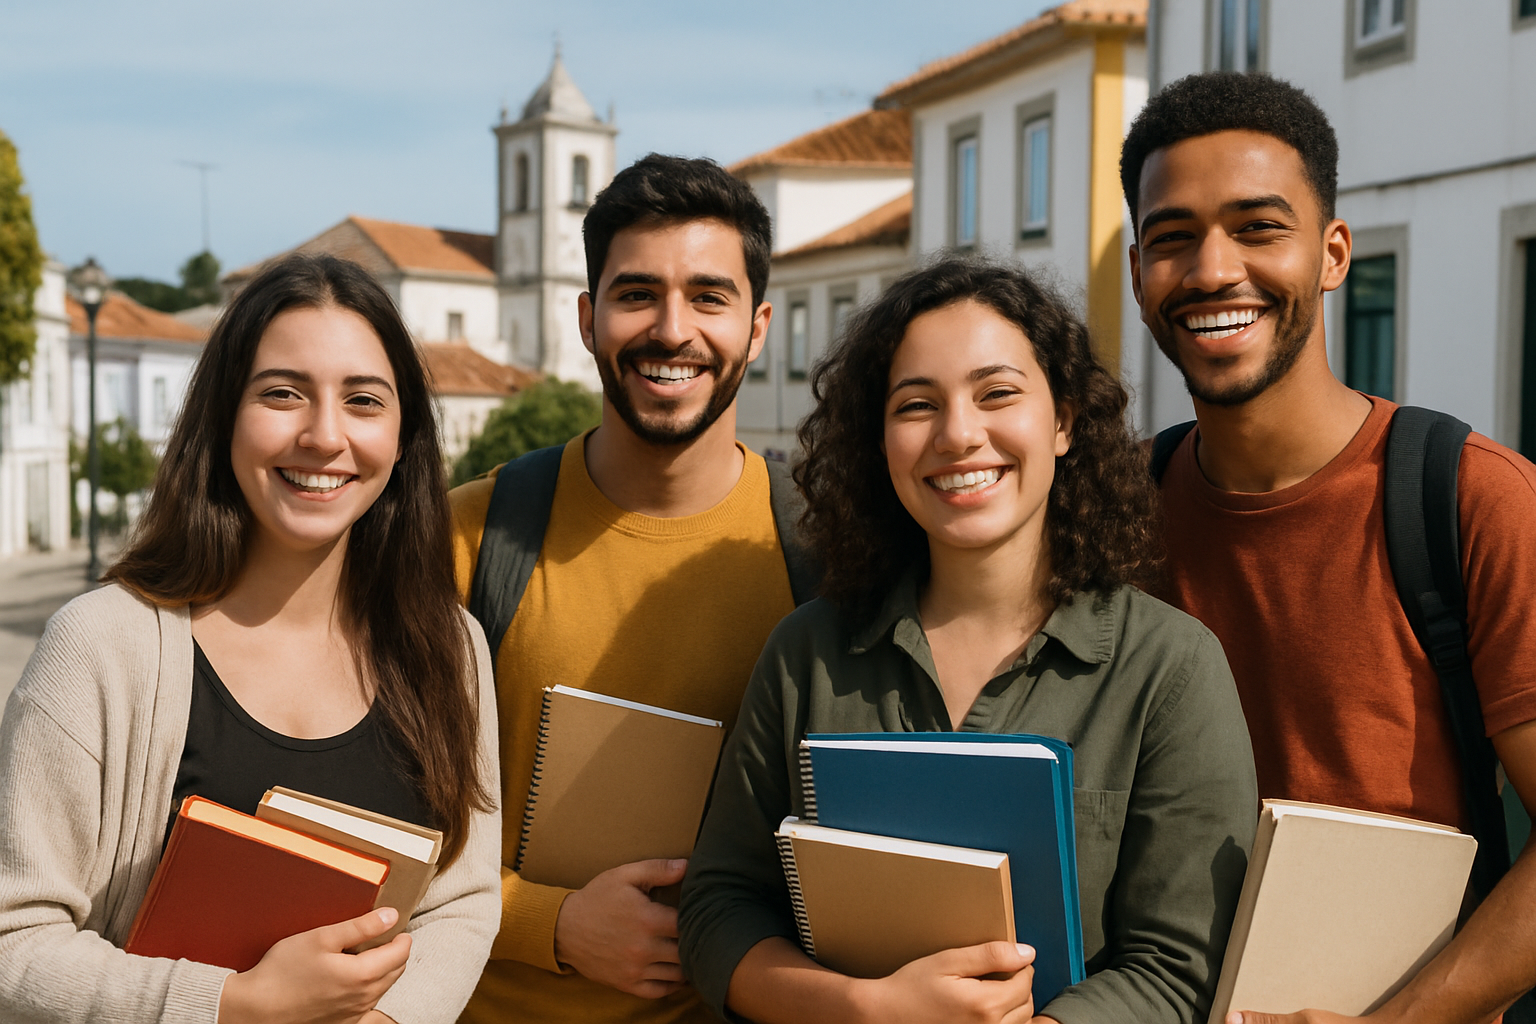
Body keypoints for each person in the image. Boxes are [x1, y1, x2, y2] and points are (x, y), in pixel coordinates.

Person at [677, 257, 1259, 1024]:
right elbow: (719, 908)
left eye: (997, 394)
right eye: (917, 405)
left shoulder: (1171, 670)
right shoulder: (806, 652)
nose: (958, 435)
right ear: (877, 441)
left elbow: (1181, 966)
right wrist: (865, 1009)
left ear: (1064, 421)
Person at [1123, 71, 1536, 1024]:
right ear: (1141, 269)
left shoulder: (1472, 498)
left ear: (1332, 253)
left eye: (1259, 227)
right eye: (1174, 238)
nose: (1214, 269)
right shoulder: (1120, 516)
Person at [0, 252, 502, 1024]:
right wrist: (233, 1006)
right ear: (224, 416)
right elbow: (13, 940)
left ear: (405, 438)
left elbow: (462, 903)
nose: (324, 436)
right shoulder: (100, 646)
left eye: (364, 400)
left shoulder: (451, 648)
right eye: (282, 394)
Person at [451, 154, 816, 1024]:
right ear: (588, 318)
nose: (672, 328)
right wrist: (553, 922)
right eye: (637, 294)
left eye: (709, 296)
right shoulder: (464, 536)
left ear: (758, 327)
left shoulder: (828, 556)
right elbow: (373, 820)